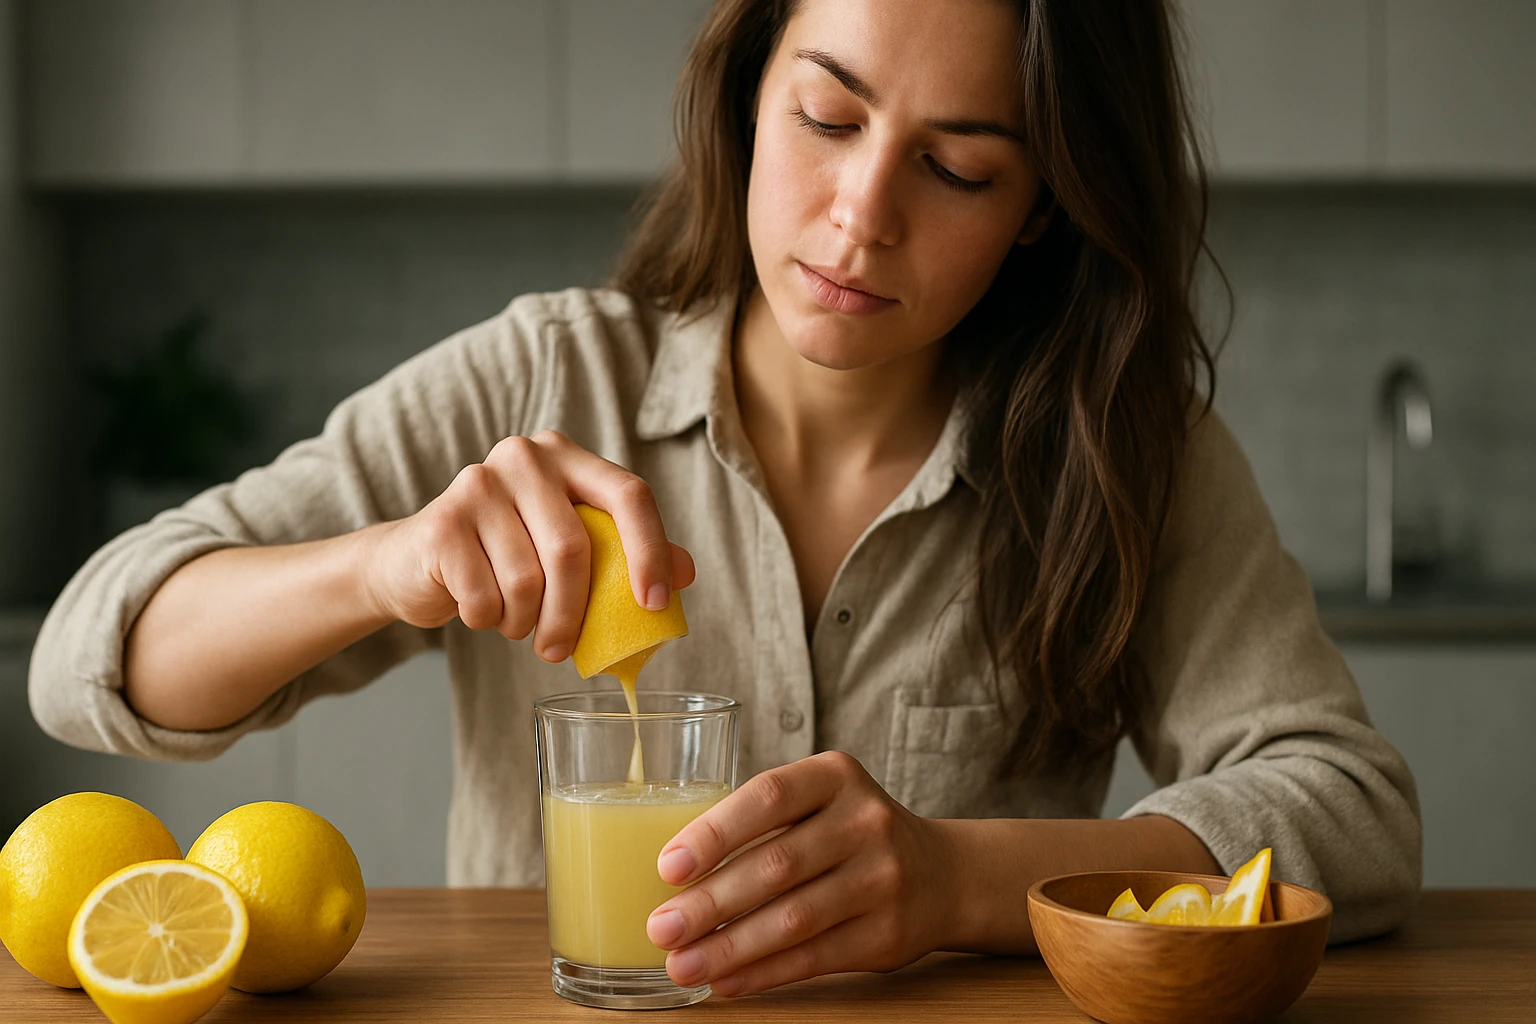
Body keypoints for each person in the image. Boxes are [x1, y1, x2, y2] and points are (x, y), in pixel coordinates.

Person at [31, 0, 1420, 999]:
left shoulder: (1127, 455)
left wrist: (959, 880)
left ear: (1044, 204)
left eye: (957, 168)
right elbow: (89, 655)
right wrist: (381, 565)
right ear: (750, 90)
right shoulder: (541, 380)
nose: (861, 215)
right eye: (827, 116)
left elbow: (1353, 813)